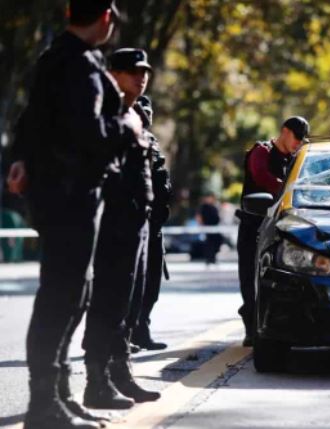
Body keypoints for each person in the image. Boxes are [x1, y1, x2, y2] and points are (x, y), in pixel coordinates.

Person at [6, 1, 144, 428]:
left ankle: (57, 398)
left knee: (72, 295)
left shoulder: (56, 58)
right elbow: (90, 136)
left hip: (62, 195)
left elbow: (32, 120)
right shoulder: (79, 65)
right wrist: (129, 128)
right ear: (105, 17)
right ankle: (44, 405)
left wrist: (20, 158)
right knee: (61, 297)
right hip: (71, 197)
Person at [81, 48, 160, 409]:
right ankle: (96, 381)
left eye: (143, 70)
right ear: (112, 73)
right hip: (111, 221)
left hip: (137, 222)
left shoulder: (134, 112)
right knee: (107, 301)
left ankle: (121, 372)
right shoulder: (103, 110)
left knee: (129, 301)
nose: (140, 76)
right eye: (131, 71)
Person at [236, 116, 309, 346]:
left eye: (301, 139)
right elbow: (262, 177)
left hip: (280, 227)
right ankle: (250, 324)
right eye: (296, 137)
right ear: (285, 131)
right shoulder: (262, 152)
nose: (298, 143)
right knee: (249, 278)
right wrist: (290, 189)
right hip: (254, 225)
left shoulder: (295, 159)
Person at [131, 95, 171, 351]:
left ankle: (141, 329)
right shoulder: (125, 138)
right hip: (133, 221)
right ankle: (122, 335)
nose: (147, 114)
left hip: (154, 223)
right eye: (141, 110)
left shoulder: (152, 142)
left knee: (152, 281)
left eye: (149, 110)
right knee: (129, 283)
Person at [196, 192, 222, 265]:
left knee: (217, 243)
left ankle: (213, 258)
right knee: (208, 244)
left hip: (215, 228)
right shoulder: (203, 207)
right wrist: (201, 226)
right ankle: (209, 259)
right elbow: (199, 216)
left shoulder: (214, 206)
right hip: (207, 228)